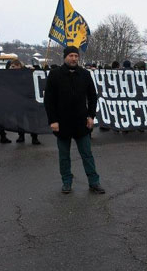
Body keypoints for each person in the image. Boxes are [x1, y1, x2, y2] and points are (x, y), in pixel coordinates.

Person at [44, 46, 104, 194]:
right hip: (62, 123)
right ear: (65, 57)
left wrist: (91, 116)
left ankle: (94, 182)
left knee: (87, 154)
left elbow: (92, 96)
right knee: (64, 156)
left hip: (81, 122)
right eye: (71, 55)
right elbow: (49, 100)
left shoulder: (84, 74)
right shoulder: (55, 74)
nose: (74, 58)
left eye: (76, 56)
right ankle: (67, 182)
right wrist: (53, 120)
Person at [9, 60, 41, 145]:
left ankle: (34, 137)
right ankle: (21, 136)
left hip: (29, 99)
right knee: (20, 120)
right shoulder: (11, 75)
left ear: (19, 65)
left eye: (13, 66)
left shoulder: (27, 72)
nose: (11, 68)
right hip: (18, 101)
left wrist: (35, 68)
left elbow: (38, 71)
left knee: (32, 119)